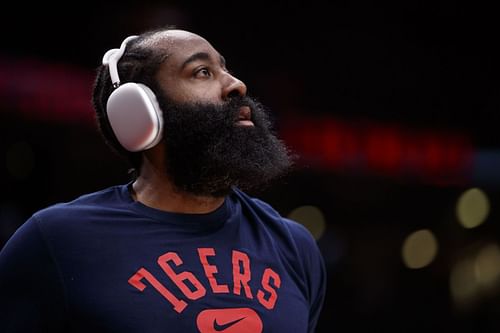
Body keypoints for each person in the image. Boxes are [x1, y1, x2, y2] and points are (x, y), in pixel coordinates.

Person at [0, 26, 326, 332]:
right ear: (143, 113)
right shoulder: (59, 240)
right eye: (202, 72)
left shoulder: (293, 246)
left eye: (225, 69)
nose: (236, 84)